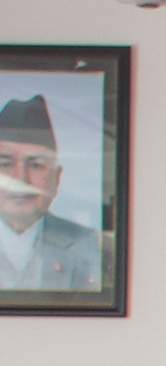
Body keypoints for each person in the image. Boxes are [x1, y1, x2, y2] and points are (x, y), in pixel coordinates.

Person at [0, 95, 101, 292]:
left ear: (56, 178)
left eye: (36, 165)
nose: (21, 180)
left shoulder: (94, 247)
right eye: (5, 164)